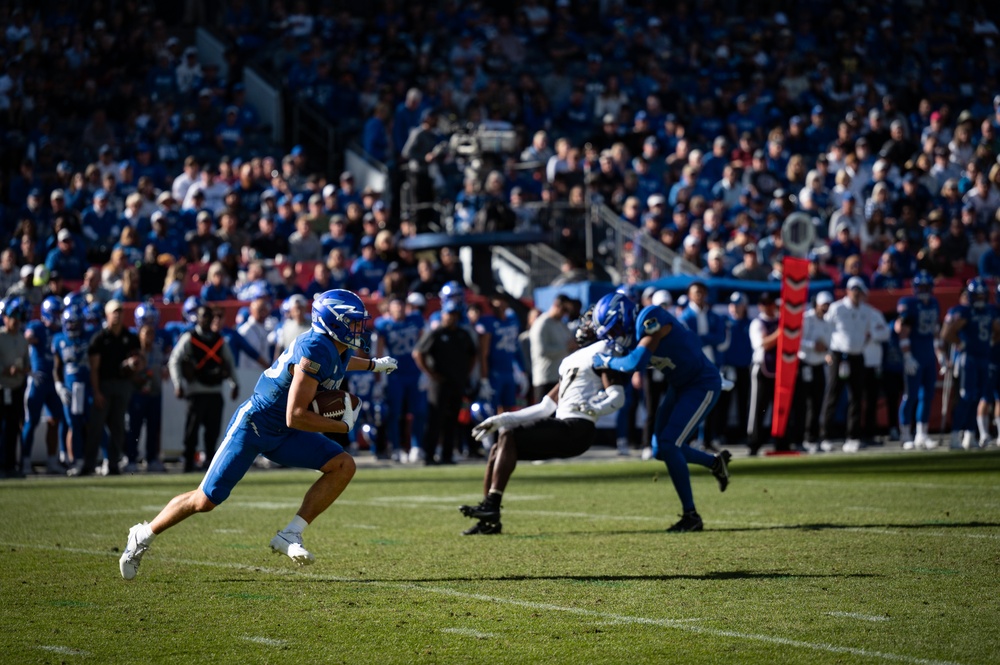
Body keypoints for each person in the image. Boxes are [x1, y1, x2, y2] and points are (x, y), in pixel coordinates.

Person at [118, 289, 399, 580]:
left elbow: (341, 363)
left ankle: (291, 534)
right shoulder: (316, 347)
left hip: (284, 431)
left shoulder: (334, 346)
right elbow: (296, 415)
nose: (359, 328)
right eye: (352, 322)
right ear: (334, 322)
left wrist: (375, 364)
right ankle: (143, 534)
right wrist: (342, 426)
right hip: (256, 425)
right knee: (205, 500)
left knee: (343, 465)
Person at [459, 317, 629, 535]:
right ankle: (488, 519)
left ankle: (492, 504)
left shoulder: (601, 354)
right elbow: (544, 406)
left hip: (577, 429)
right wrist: (502, 419)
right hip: (564, 427)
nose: (584, 326)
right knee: (498, 447)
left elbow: (617, 397)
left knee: (509, 435)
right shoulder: (574, 360)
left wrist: (593, 408)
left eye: (590, 323)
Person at [591, 290, 731, 532]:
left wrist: (607, 361)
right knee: (659, 449)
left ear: (623, 316)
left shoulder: (650, 316)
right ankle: (715, 463)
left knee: (668, 444)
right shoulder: (633, 335)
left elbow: (635, 363)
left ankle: (691, 516)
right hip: (680, 387)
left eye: (614, 330)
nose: (614, 337)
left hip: (701, 384)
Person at [819, 278, 890, 453]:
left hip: (857, 356)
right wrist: (826, 351)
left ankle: (853, 436)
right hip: (838, 355)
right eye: (853, 290)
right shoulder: (837, 308)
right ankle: (825, 436)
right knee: (833, 394)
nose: (856, 293)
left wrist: (870, 337)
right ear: (847, 291)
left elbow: (880, 330)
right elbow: (825, 328)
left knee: (856, 397)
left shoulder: (867, 311)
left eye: (859, 290)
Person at [169, 305, 239, 473]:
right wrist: (178, 383)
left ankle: (209, 463)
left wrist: (234, 383)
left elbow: (229, 363)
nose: (207, 320)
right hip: (196, 392)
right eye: (203, 316)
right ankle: (188, 461)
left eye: (209, 316)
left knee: (213, 432)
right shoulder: (189, 338)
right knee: (191, 431)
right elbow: (174, 360)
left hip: (215, 391)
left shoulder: (219, 340)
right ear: (197, 318)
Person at [83, 299, 144, 476]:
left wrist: (134, 364)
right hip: (104, 385)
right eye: (114, 311)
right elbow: (94, 369)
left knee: (118, 426)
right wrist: (96, 391)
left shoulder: (130, 337)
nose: (117, 314)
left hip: (123, 384)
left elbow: (139, 360)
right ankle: (89, 464)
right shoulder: (100, 339)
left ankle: (113, 464)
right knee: (96, 425)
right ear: (107, 315)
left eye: (120, 311)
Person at [412, 300, 477, 465]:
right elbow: (418, 353)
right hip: (439, 383)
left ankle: (447, 455)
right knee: (435, 418)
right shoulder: (436, 333)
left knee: (453, 419)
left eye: (454, 315)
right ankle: (429, 455)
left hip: (457, 382)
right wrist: (431, 373)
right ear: (443, 315)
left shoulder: (463, 334)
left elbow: (473, 354)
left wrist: (466, 373)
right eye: (449, 314)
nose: (451, 318)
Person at [940, 279, 1000, 450]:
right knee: (966, 397)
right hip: (968, 359)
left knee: (977, 397)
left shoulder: (990, 312)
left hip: (984, 358)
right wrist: (961, 343)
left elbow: (998, 330)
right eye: (978, 295)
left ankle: (970, 435)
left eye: (983, 295)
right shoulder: (964, 312)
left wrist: (991, 341)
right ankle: (955, 435)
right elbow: (946, 333)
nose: (980, 298)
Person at [374, 296, 427, 463]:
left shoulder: (415, 320)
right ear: (389, 309)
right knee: (395, 412)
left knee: (418, 411)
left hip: (414, 372)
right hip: (394, 374)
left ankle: (416, 446)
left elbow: (423, 344)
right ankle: (396, 447)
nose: (399, 310)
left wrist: (424, 370)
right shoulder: (383, 325)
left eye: (401, 306)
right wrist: (378, 379)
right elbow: (379, 352)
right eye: (396, 306)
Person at [21, 296, 66, 475]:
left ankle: (52, 460)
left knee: (55, 421)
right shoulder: (38, 327)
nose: (58, 316)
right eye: (55, 313)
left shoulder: (61, 332)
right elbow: (27, 337)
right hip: (38, 380)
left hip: (53, 382)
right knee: (30, 422)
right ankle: (24, 461)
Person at [896, 272, 940, 450]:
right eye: (920, 287)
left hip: (929, 353)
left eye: (926, 287)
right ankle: (905, 434)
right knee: (910, 395)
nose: (923, 291)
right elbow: (903, 331)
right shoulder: (909, 304)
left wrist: (940, 354)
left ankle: (922, 434)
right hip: (915, 353)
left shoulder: (934, 303)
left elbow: (935, 330)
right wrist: (907, 356)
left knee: (927, 396)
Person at [789, 292, 833, 452]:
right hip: (804, 364)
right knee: (801, 403)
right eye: (823, 305)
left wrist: (825, 348)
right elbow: (796, 340)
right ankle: (800, 438)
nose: (825, 308)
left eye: (827, 305)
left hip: (819, 364)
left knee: (817, 402)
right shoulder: (806, 319)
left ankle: (813, 437)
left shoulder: (828, 322)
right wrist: (813, 345)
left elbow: (830, 341)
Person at [125, 302, 167, 473]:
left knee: (153, 428)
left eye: (151, 332)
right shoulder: (133, 350)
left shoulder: (158, 348)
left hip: (155, 393)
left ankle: (152, 458)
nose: (149, 335)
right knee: (133, 428)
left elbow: (164, 366)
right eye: (146, 332)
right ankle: (131, 458)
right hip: (137, 393)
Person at [53, 305, 90, 475]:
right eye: (70, 323)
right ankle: (75, 459)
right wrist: (59, 386)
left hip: (86, 386)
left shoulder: (89, 336)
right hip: (69, 387)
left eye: (75, 323)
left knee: (89, 423)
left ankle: (86, 459)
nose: (72, 327)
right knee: (72, 424)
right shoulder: (59, 339)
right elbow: (57, 367)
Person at [747, 291, 782, 455]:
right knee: (758, 406)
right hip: (762, 368)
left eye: (769, 303)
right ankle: (754, 442)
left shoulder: (779, 321)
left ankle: (781, 440)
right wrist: (779, 333)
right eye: (764, 303)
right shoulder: (757, 323)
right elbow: (763, 344)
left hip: (779, 368)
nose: (767, 307)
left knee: (779, 406)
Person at [0, 297, 30, 477]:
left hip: (17, 388)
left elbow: (27, 362)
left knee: (13, 427)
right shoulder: (0, 337)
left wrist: (24, 369)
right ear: (5, 318)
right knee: (2, 428)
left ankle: (11, 464)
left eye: (18, 318)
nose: (15, 321)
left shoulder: (22, 340)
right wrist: (5, 371)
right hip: (2, 388)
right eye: (12, 317)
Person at [528, 294, 573, 403]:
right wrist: (566, 347)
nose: (565, 314)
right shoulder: (541, 324)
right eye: (564, 310)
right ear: (557, 305)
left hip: (560, 378)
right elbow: (542, 351)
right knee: (544, 417)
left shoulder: (561, 325)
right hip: (545, 379)